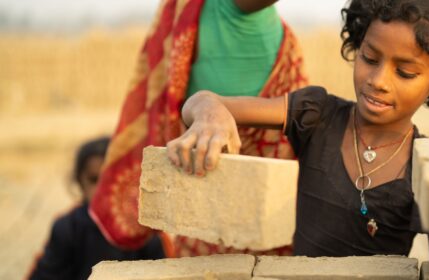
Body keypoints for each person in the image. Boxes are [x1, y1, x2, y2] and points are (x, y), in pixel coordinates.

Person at [166, 0, 429, 257]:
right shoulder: (317, 114)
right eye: (370, 59)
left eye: (405, 73)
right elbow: (201, 101)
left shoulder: (424, 167)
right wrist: (210, 112)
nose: (378, 80)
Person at [89, 0, 307, 256]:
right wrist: (206, 109)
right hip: (204, 194)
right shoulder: (195, 10)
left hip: (268, 207)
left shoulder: (227, 11)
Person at [28, 137, 164, 280]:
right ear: (80, 182)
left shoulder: (141, 230)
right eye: (94, 180)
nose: (102, 190)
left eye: (110, 179)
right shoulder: (67, 228)